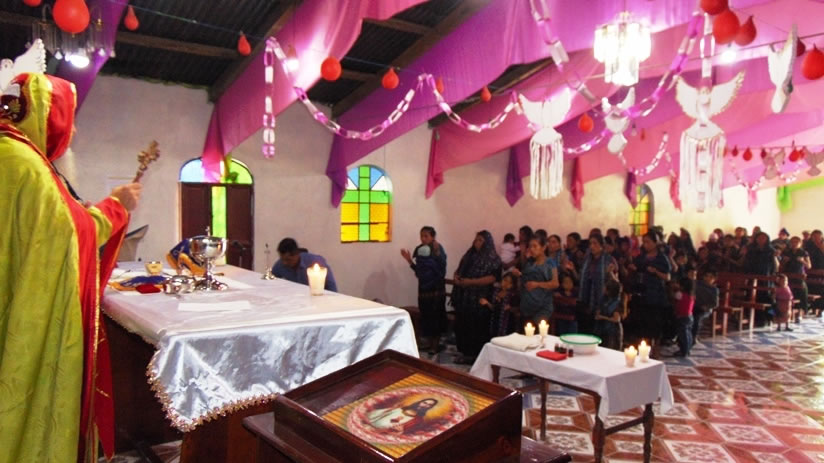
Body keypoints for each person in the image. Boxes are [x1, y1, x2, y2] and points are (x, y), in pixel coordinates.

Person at [0, 73, 141, 463]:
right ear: (48, 115)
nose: (73, 130)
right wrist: (116, 206)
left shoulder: (12, 155)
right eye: (69, 118)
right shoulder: (25, 164)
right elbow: (70, 234)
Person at [451, 231, 501, 364]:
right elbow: (459, 269)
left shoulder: (493, 259)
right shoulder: (469, 255)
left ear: (487, 243)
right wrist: (456, 277)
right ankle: (465, 352)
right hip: (464, 297)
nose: (476, 242)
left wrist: (471, 282)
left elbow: (493, 278)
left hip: (480, 298)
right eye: (476, 239)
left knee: (476, 327)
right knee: (463, 324)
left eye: (480, 240)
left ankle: (475, 355)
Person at [401, 226, 447, 354]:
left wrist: (437, 255)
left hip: (436, 291)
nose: (423, 238)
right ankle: (429, 343)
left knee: (436, 317)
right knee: (426, 316)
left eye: (426, 236)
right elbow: (419, 271)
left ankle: (435, 345)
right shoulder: (420, 250)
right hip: (423, 291)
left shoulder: (438, 249)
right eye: (421, 236)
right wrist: (409, 260)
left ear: (433, 237)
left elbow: (441, 269)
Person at [511, 235, 559, 328]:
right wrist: (518, 275)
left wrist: (538, 284)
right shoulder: (530, 263)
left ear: (543, 247)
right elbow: (525, 281)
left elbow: (555, 283)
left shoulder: (550, 263)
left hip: (541, 307)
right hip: (526, 306)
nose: (531, 249)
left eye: (535, 246)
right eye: (530, 246)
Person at [578, 235, 616, 334]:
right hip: (586, 296)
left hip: (602, 297)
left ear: (602, 245)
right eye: (590, 244)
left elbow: (615, 282)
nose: (592, 246)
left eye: (595, 243)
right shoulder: (587, 259)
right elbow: (582, 277)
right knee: (585, 328)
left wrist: (610, 273)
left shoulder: (608, 259)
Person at [272, 238, 337, 291]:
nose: (284, 263)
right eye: (282, 259)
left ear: (297, 254)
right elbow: (271, 279)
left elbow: (331, 285)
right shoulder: (280, 265)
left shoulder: (315, 261)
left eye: (288, 260)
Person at [480, 272, 518, 338]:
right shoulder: (495, 291)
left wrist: (511, 308)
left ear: (513, 285)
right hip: (494, 322)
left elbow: (517, 311)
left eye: (510, 283)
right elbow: (494, 308)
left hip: (507, 325)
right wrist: (487, 303)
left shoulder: (513, 295)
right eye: (505, 280)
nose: (506, 284)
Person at [367, 398, 438, 433]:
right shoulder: (400, 408)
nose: (424, 405)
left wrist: (401, 431)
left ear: (430, 407)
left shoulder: (418, 420)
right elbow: (374, 415)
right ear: (419, 402)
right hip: (369, 425)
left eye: (429, 405)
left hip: (381, 433)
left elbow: (409, 433)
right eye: (424, 403)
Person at [781, 236, 811, 314]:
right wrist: (784, 261)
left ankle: (802, 310)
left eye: (796, 242)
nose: (794, 244)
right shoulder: (786, 252)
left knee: (802, 289)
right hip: (788, 275)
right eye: (792, 242)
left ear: (800, 243)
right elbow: (781, 266)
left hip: (799, 275)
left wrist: (802, 261)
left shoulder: (804, 252)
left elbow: (809, 266)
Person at [594, 280, 623, 350]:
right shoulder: (604, 298)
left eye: (605, 287)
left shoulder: (617, 302)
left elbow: (616, 319)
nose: (603, 288)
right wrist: (598, 313)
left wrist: (602, 317)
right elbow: (599, 309)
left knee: (610, 348)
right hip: (601, 328)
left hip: (612, 331)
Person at [693, 271, 719, 344]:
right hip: (695, 306)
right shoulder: (698, 284)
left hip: (706, 309)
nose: (708, 278)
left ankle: (694, 336)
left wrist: (706, 306)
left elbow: (715, 304)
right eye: (706, 276)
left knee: (697, 318)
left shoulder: (714, 289)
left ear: (714, 279)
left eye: (711, 277)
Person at [672, 278, 695, 357]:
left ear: (682, 286)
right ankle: (688, 349)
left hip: (682, 317)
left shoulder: (679, 294)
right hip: (690, 316)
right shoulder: (691, 295)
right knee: (688, 334)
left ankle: (684, 351)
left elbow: (674, 298)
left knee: (683, 335)